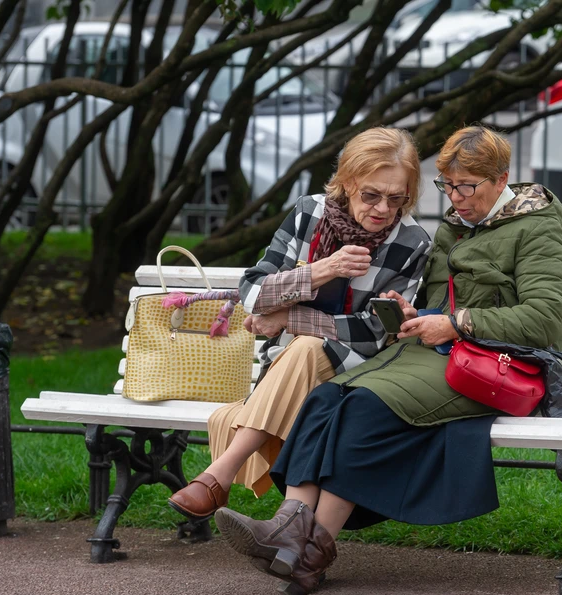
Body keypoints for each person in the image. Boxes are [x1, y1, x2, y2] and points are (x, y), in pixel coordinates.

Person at [214, 125, 562, 595]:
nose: (456, 197)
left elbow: (546, 320)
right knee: (328, 398)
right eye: (448, 185)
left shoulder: (536, 226)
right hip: (437, 353)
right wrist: (412, 314)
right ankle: (290, 530)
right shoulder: (456, 226)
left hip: (495, 364)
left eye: (467, 186)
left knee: (363, 404)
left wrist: (455, 323)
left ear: (501, 178)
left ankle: (307, 553)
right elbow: (435, 302)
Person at [167, 127, 432, 522]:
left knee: (306, 346)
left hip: (356, 371)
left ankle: (218, 476)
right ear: (347, 182)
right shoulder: (309, 213)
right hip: (285, 366)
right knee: (302, 352)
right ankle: (294, 533)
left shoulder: (412, 243)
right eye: (371, 195)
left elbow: (375, 333)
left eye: (397, 199)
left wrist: (291, 317)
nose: (382, 209)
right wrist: (323, 270)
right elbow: (253, 293)